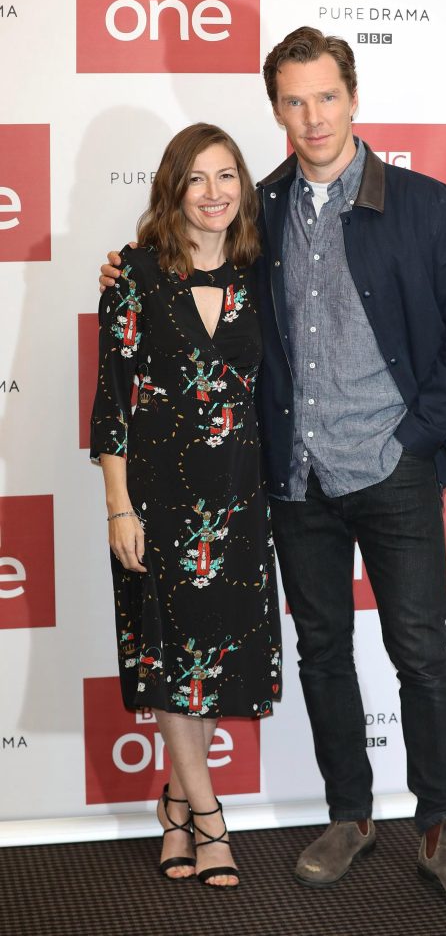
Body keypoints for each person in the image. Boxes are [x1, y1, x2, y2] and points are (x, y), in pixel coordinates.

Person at [100, 28, 446, 912]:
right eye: (292, 101)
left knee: (420, 655)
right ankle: (349, 814)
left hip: (393, 470)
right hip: (295, 482)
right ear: (275, 109)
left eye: (325, 96)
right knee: (323, 652)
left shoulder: (423, 204)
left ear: (352, 97)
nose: (311, 116)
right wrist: (127, 267)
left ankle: (440, 828)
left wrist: (414, 433)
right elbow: (185, 273)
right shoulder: (260, 211)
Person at [91, 122, 281, 890]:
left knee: (205, 664)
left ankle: (173, 804)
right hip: (158, 503)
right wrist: (117, 507)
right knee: (172, 659)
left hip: (238, 502)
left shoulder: (260, 273)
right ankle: (208, 816)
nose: (214, 192)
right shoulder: (134, 274)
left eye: (227, 175)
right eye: (197, 178)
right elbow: (111, 402)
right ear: (173, 188)